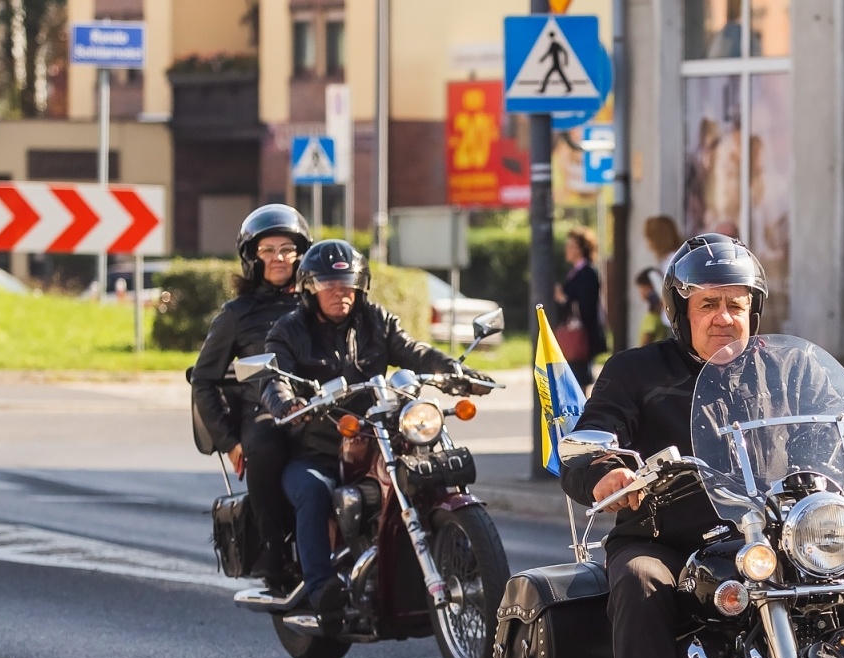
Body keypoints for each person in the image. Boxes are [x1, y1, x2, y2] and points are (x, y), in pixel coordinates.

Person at [560, 233, 844, 658]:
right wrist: (604, 474)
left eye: (736, 304)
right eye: (708, 304)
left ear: (755, 308)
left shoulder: (793, 367)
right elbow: (592, 439)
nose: (723, 317)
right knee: (640, 582)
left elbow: (841, 430)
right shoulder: (636, 371)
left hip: (779, 532)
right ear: (681, 312)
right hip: (669, 536)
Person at [261, 239, 495, 620]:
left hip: (378, 435)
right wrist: (287, 402)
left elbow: (414, 351)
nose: (340, 293)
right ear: (309, 288)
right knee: (313, 491)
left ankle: (469, 557)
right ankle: (321, 588)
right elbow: (274, 376)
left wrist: (457, 372)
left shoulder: (376, 320)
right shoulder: (289, 330)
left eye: (348, 284)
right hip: (319, 448)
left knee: (430, 469)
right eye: (327, 285)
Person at [190, 204, 312, 584]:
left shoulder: (318, 304)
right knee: (265, 443)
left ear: (301, 254)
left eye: (287, 249)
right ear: (252, 257)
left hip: (320, 405)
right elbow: (204, 380)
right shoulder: (237, 313)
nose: (278, 258)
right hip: (265, 411)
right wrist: (229, 442)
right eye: (268, 250)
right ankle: (274, 550)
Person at [552, 226, 607, 388]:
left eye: (571, 246)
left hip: (582, 334)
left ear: (581, 249)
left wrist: (563, 299)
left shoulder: (587, 272)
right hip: (577, 333)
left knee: (579, 379)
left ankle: (584, 412)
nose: (567, 250)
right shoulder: (576, 271)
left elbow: (586, 304)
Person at [642, 215, 682, 328]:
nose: (647, 242)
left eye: (649, 237)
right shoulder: (667, 259)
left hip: (676, 320)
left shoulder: (672, 260)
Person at [634, 268, 668, 347]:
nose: (640, 292)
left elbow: (644, 343)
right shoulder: (663, 315)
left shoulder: (651, 318)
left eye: (642, 288)